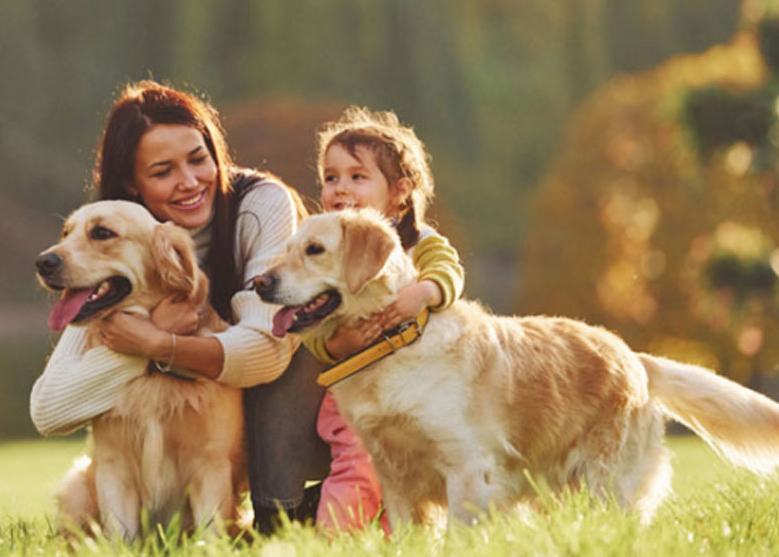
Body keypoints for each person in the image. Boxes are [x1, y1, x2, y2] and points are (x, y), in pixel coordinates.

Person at [29, 80, 330, 532]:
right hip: (160, 411)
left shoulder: (259, 204)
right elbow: (50, 410)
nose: (189, 182)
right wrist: (138, 347)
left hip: (266, 384)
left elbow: (266, 350)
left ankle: (280, 515)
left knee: (290, 339)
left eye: (198, 158)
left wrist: (160, 344)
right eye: (163, 170)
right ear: (133, 182)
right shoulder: (111, 239)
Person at [306, 106, 465, 533]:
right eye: (331, 177)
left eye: (358, 177)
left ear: (399, 191)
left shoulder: (421, 242)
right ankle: (338, 540)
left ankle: (406, 542)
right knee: (357, 471)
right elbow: (308, 324)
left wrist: (425, 292)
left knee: (410, 481)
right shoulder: (325, 247)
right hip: (356, 397)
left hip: (415, 394)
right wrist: (335, 345)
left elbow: (451, 273)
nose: (341, 188)